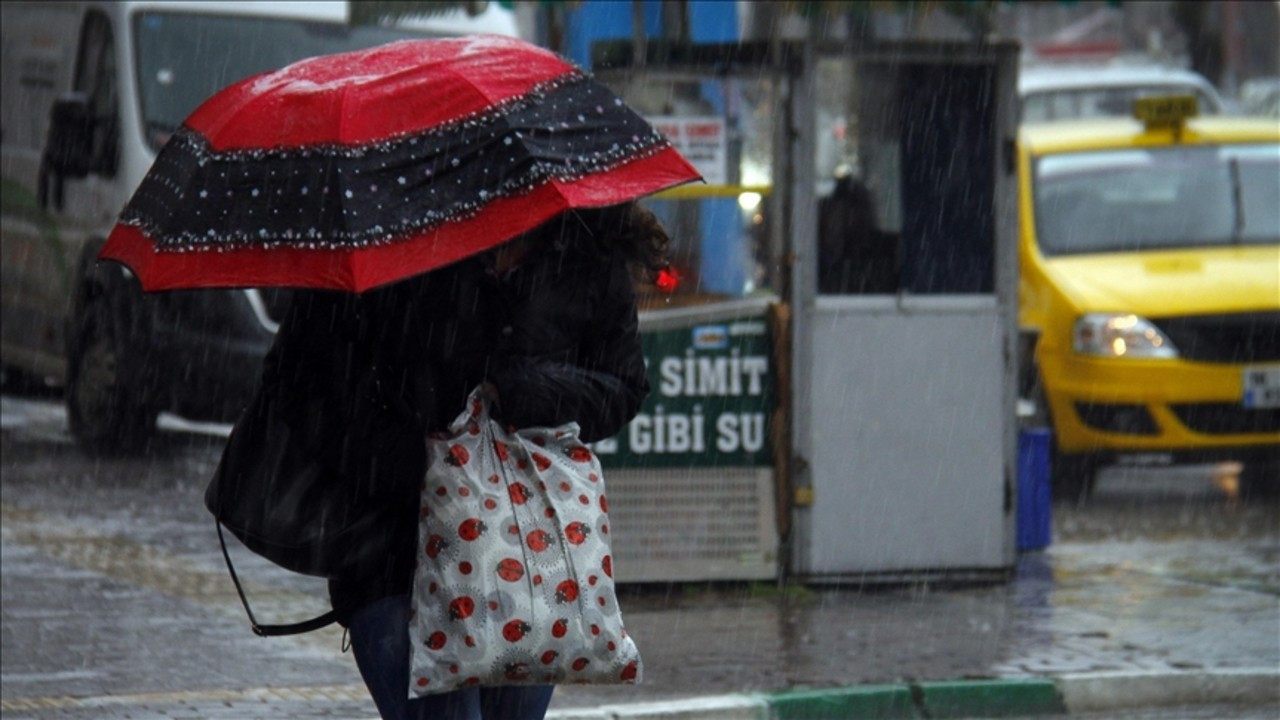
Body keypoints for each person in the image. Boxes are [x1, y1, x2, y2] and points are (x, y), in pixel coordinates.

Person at [255, 201, 666, 719]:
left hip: (520, 562)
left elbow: (622, 387)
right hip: (387, 554)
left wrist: (515, 388)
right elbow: (301, 382)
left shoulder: (584, 253)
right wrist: (407, 464)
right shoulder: (387, 236)